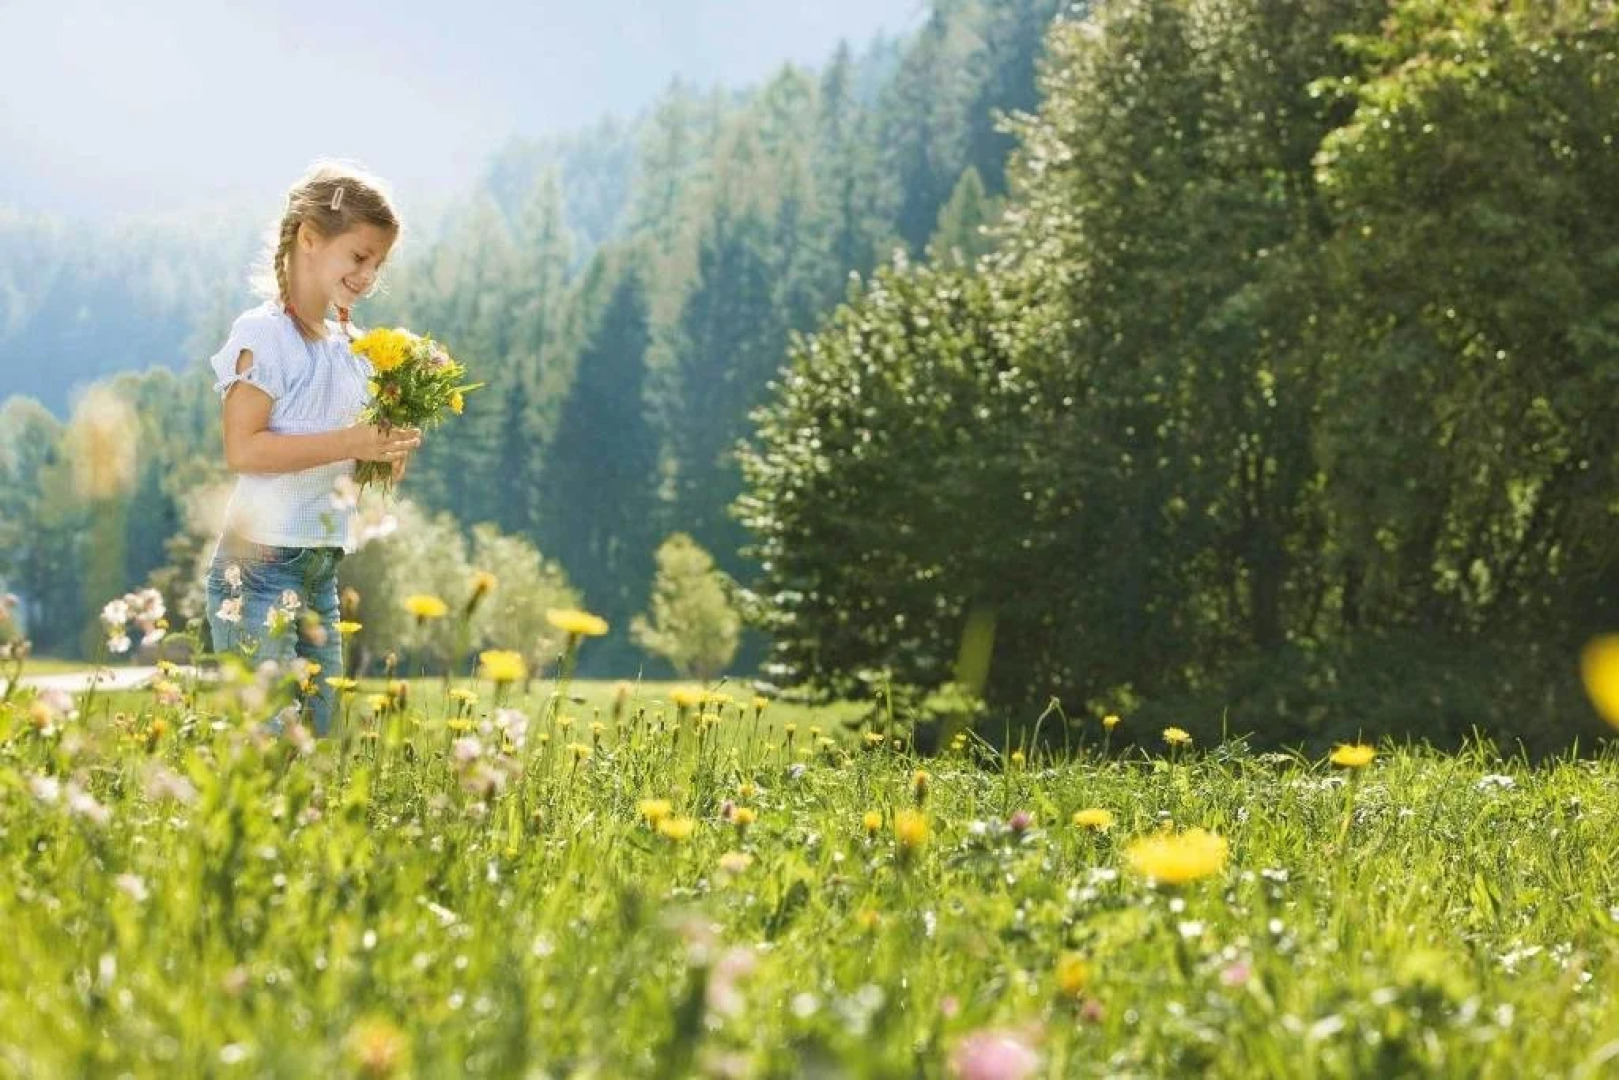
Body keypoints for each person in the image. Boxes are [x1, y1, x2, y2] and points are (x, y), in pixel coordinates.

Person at [203, 160, 419, 736]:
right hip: (258, 570)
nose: (369, 274)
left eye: (378, 262)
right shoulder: (264, 335)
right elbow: (243, 450)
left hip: (320, 568)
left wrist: (384, 452)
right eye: (359, 256)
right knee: (267, 751)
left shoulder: (350, 349)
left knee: (314, 753)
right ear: (309, 238)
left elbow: (344, 457)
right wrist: (352, 440)